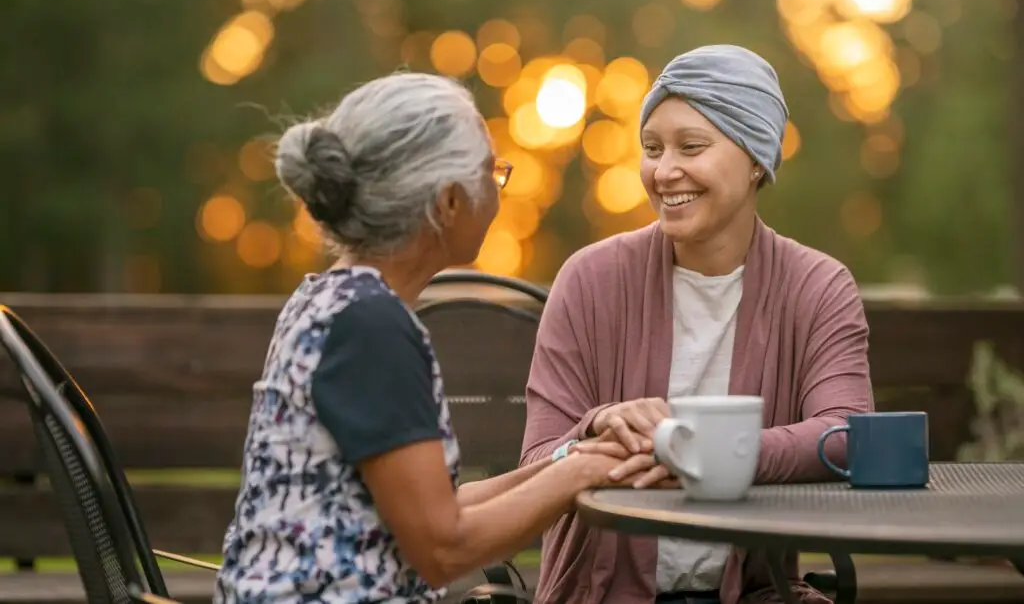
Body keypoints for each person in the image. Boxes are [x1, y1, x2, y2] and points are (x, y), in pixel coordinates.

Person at [213, 72, 635, 604]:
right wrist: (581, 473)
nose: (499, 189)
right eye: (492, 173)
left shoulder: (334, 302)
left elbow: (439, 507)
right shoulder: (370, 329)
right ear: (449, 202)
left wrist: (577, 457)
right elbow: (442, 549)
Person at [520, 45, 874, 604]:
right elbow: (537, 463)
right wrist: (598, 425)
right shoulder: (589, 279)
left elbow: (847, 433)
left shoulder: (817, 286)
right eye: (652, 149)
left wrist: (710, 455)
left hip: (757, 593)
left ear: (757, 158)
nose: (664, 172)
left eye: (691, 147)